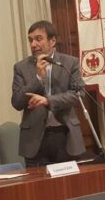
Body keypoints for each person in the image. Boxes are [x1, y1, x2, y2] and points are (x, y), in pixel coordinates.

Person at [11, 20, 87, 167]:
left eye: (38, 39)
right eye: (30, 40)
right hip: (34, 140)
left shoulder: (69, 63)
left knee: (68, 181)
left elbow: (78, 94)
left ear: (52, 41)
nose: (33, 44)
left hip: (65, 134)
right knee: (37, 181)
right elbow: (17, 102)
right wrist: (38, 78)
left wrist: (48, 101)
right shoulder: (21, 67)